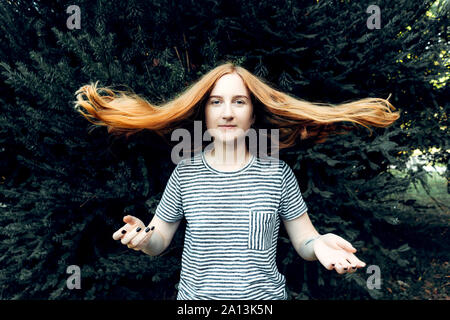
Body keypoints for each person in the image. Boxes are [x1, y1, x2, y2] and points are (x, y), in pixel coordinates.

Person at [75, 62, 400, 299]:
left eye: (239, 102)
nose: (227, 113)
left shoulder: (277, 173)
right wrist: (144, 239)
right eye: (216, 102)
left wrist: (321, 243)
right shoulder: (185, 171)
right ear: (204, 112)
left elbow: (304, 241)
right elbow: (159, 240)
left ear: (253, 114)